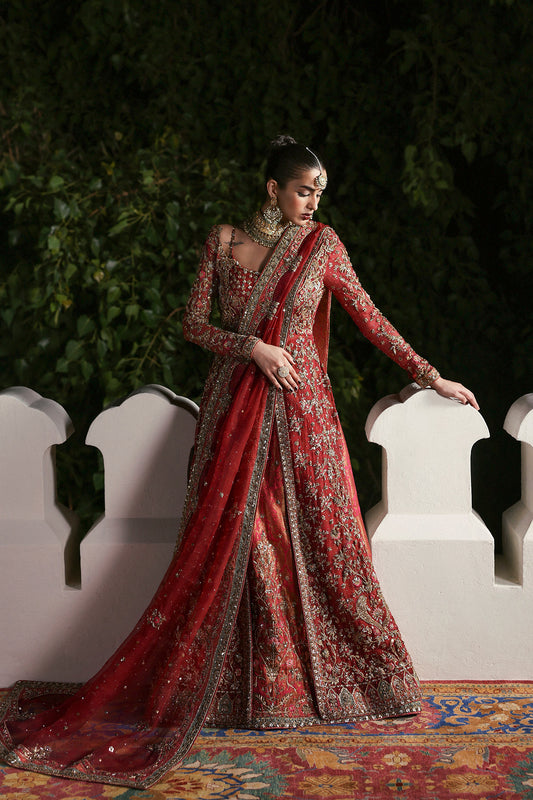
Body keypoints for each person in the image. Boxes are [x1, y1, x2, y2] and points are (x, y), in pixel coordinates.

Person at [0, 136, 478, 789]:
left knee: (325, 541)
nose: (313, 203)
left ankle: (350, 682)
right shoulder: (223, 243)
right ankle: (251, 692)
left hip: (304, 417)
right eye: (304, 190)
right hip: (234, 412)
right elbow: (195, 325)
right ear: (273, 189)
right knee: (242, 544)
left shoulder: (323, 246)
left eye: (319, 192)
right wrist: (252, 346)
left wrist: (430, 375)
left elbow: (369, 317)